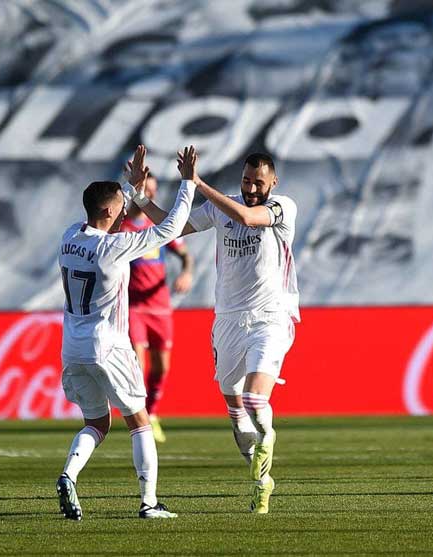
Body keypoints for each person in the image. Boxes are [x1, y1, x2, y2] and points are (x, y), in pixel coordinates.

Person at [55, 145, 195, 520]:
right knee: (139, 420)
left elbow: (112, 211)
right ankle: (149, 503)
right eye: (119, 207)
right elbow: (170, 227)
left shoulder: (69, 236)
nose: (124, 212)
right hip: (110, 345)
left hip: (73, 348)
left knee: (97, 422)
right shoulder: (114, 248)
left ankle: (69, 475)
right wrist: (187, 184)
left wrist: (131, 189)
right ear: (107, 212)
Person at [179, 146, 299, 514]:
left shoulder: (283, 207)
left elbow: (248, 218)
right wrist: (136, 195)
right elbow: (173, 226)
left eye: (258, 183)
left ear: (273, 182)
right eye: (246, 181)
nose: (251, 188)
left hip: (269, 316)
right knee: (233, 406)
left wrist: (196, 182)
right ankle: (262, 483)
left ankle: (269, 435)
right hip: (227, 321)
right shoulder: (221, 207)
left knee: (254, 399)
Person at [120, 172, 194, 443]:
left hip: (160, 308)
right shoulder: (122, 228)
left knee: (161, 368)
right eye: (144, 190)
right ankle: (138, 422)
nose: (148, 196)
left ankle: (151, 415)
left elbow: (185, 255)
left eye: (151, 191)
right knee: (137, 366)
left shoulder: (158, 229)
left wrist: (186, 273)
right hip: (135, 308)